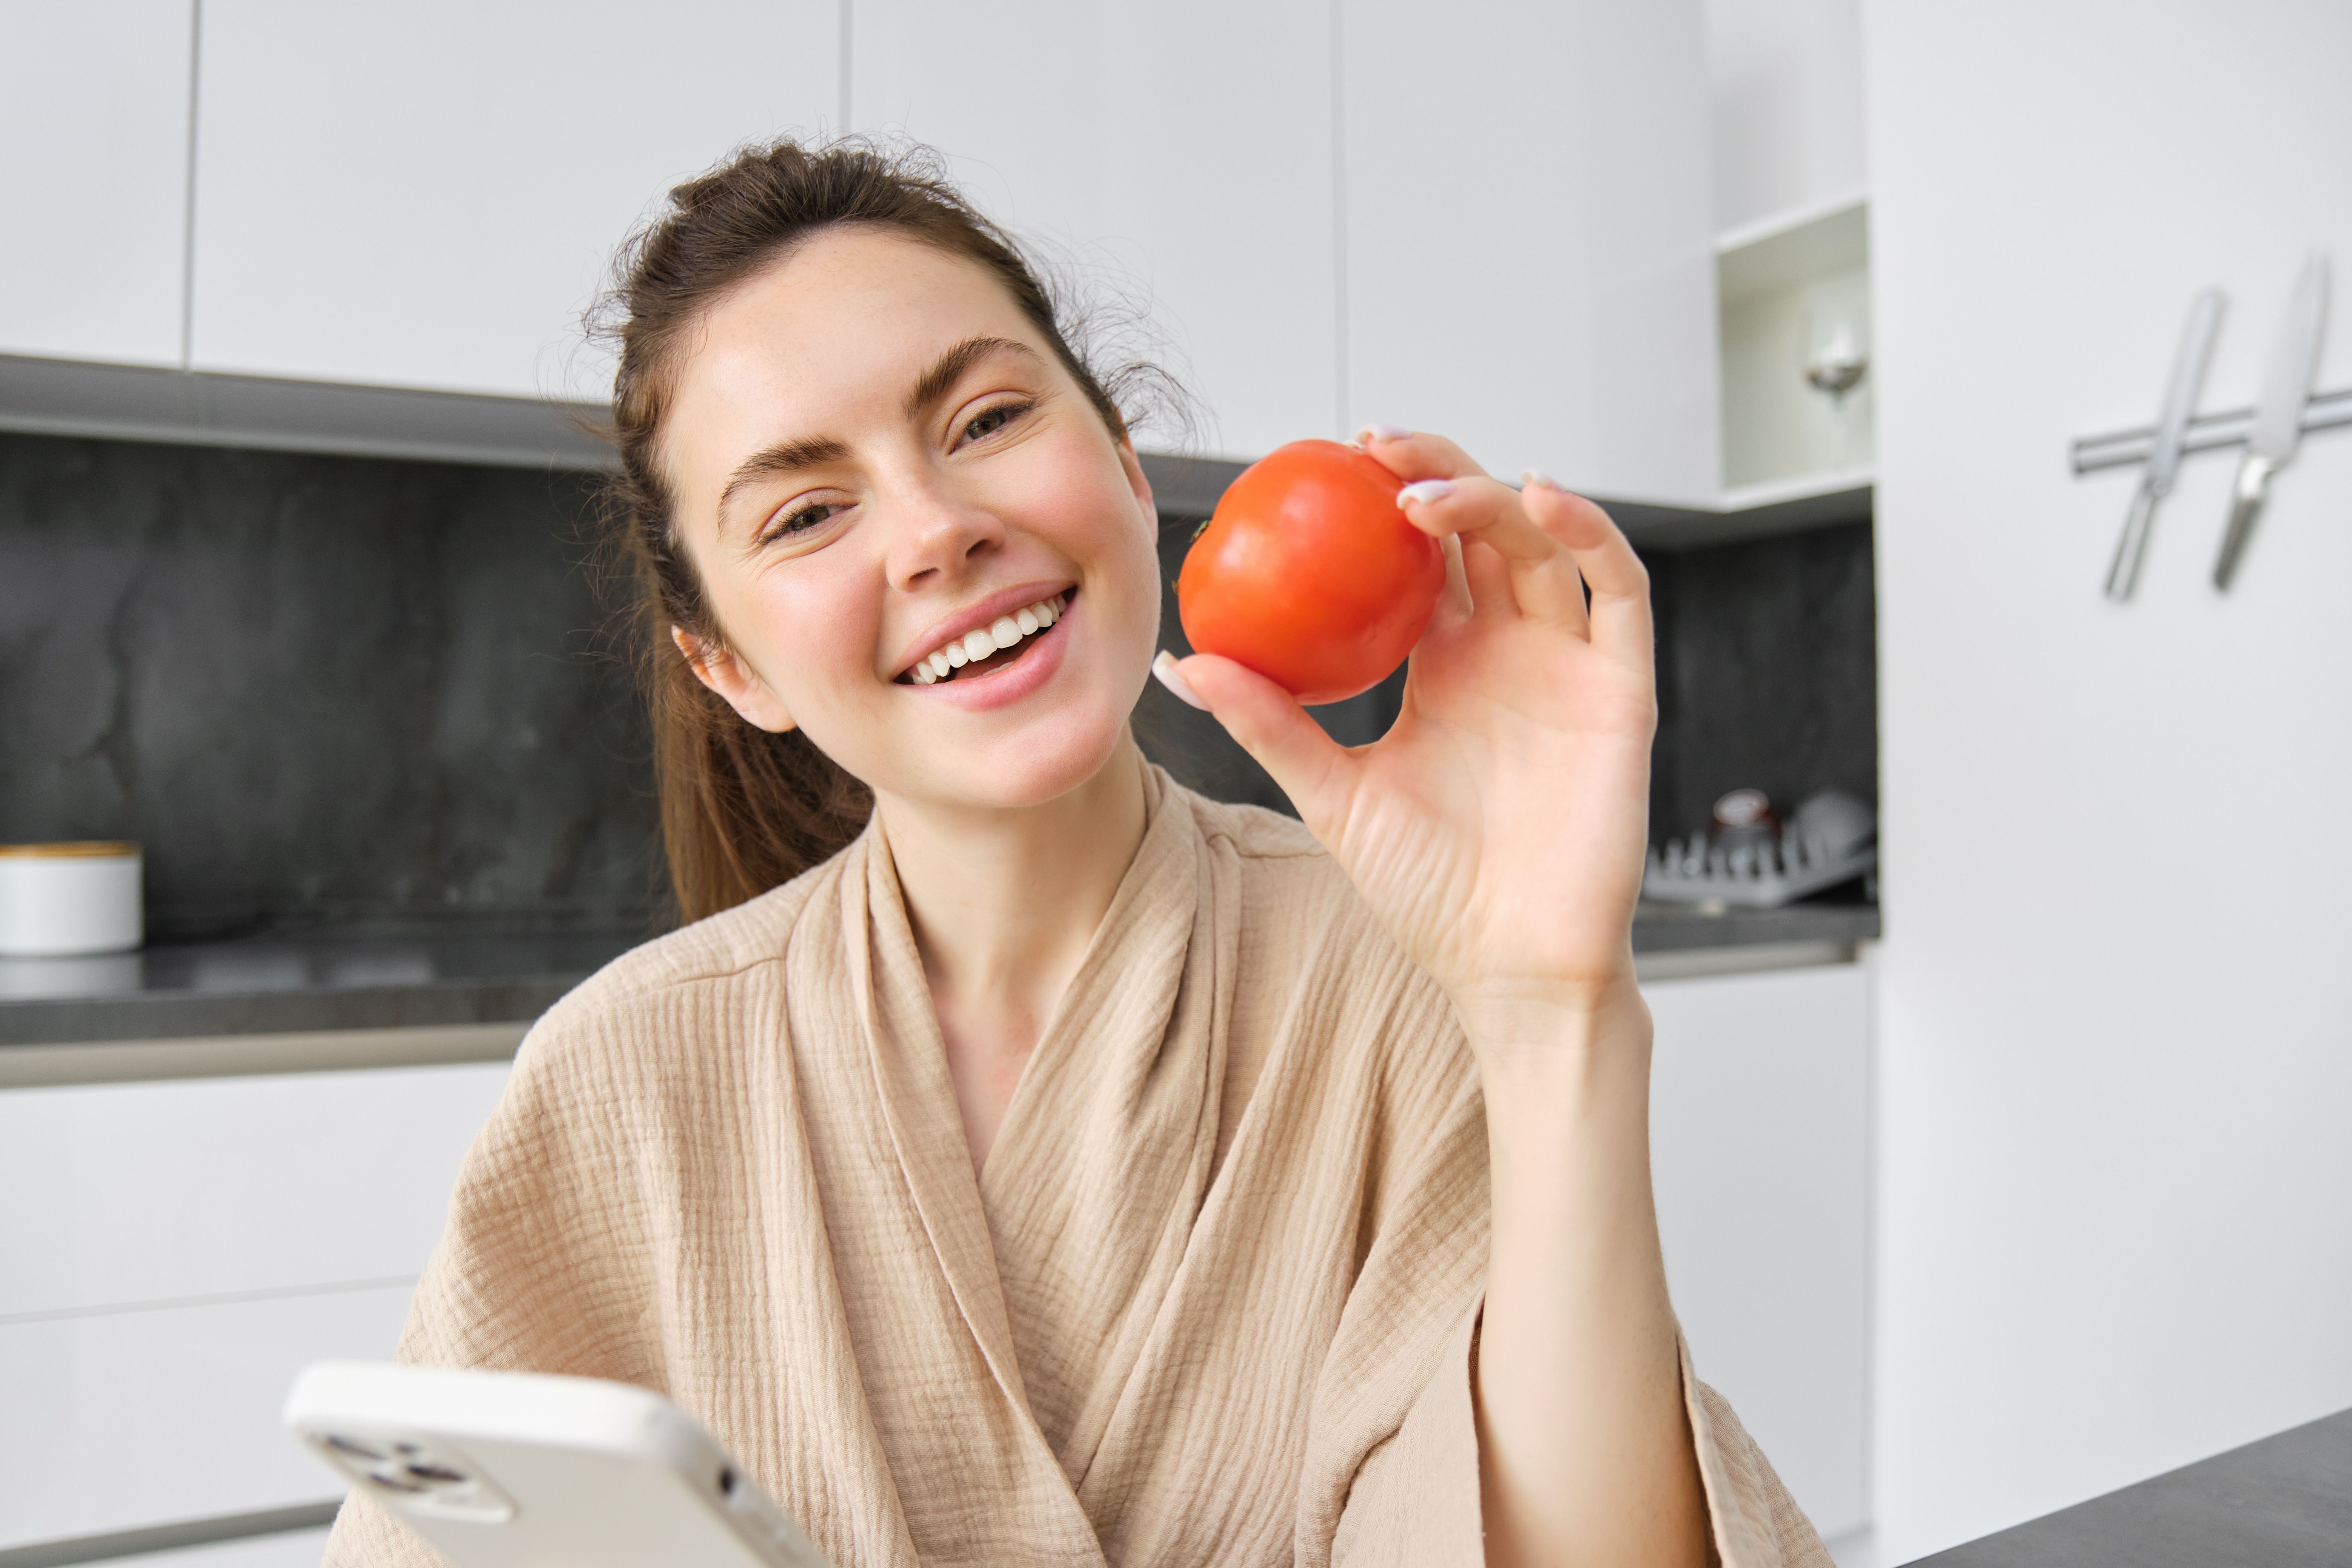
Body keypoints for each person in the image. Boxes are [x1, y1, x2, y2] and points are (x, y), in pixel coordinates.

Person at [322, 139, 1828, 1568]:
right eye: (805, 511)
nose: (932, 532)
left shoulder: (1401, 970)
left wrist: (1550, 1003)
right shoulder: (616, 1080)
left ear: (1119, 463)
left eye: (983, 421)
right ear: (730, 666)